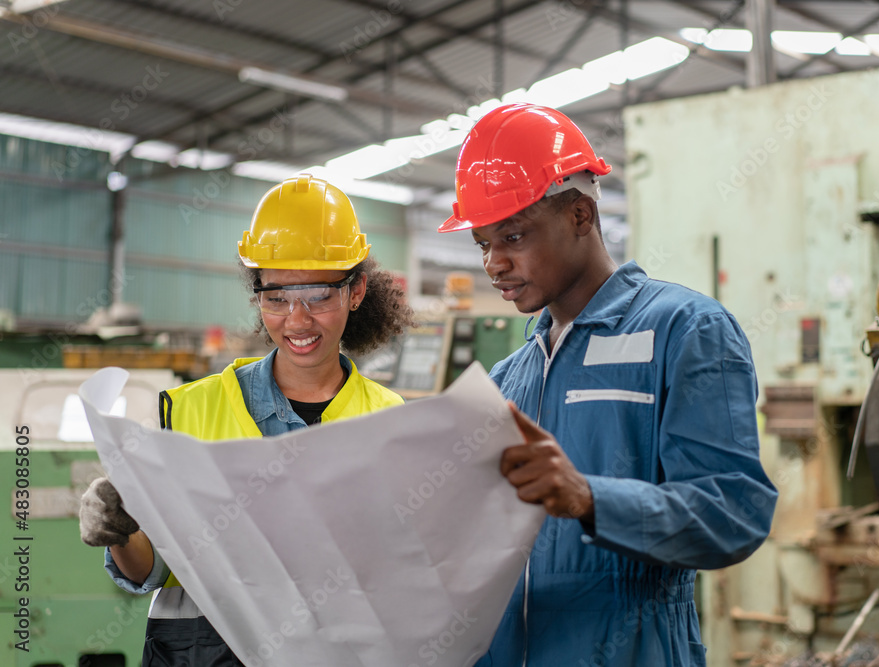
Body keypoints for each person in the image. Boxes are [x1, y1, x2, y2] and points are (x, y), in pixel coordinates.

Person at [438, 103, 777, 666]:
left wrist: (590, 500)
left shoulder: (683, 330)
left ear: (579, 215)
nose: (494, 264)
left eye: (513, 236)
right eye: (483, 245)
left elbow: (734, 513)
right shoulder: (507, 377)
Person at [79, 174, 413, 666]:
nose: (296, 321)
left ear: (356, 290)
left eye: (318, 295)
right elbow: (155, 571)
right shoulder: (189, 410)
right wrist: (123, 530)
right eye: (276, 297)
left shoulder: (389, 422)